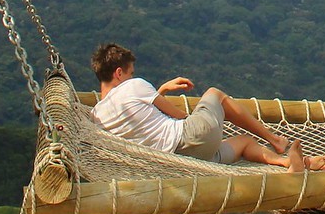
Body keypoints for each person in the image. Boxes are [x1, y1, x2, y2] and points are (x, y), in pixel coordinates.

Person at [90, 42, 309, 169]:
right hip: (189, 138)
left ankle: (285, 163)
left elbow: (136, 119)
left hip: (179, 162)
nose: (132, 76)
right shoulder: (134, 86)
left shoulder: (97, 117)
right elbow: (180, 116)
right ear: (119, 73)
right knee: (215, 94)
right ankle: (277, 141)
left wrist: (161, 91)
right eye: (130, 73)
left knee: (243, 142)